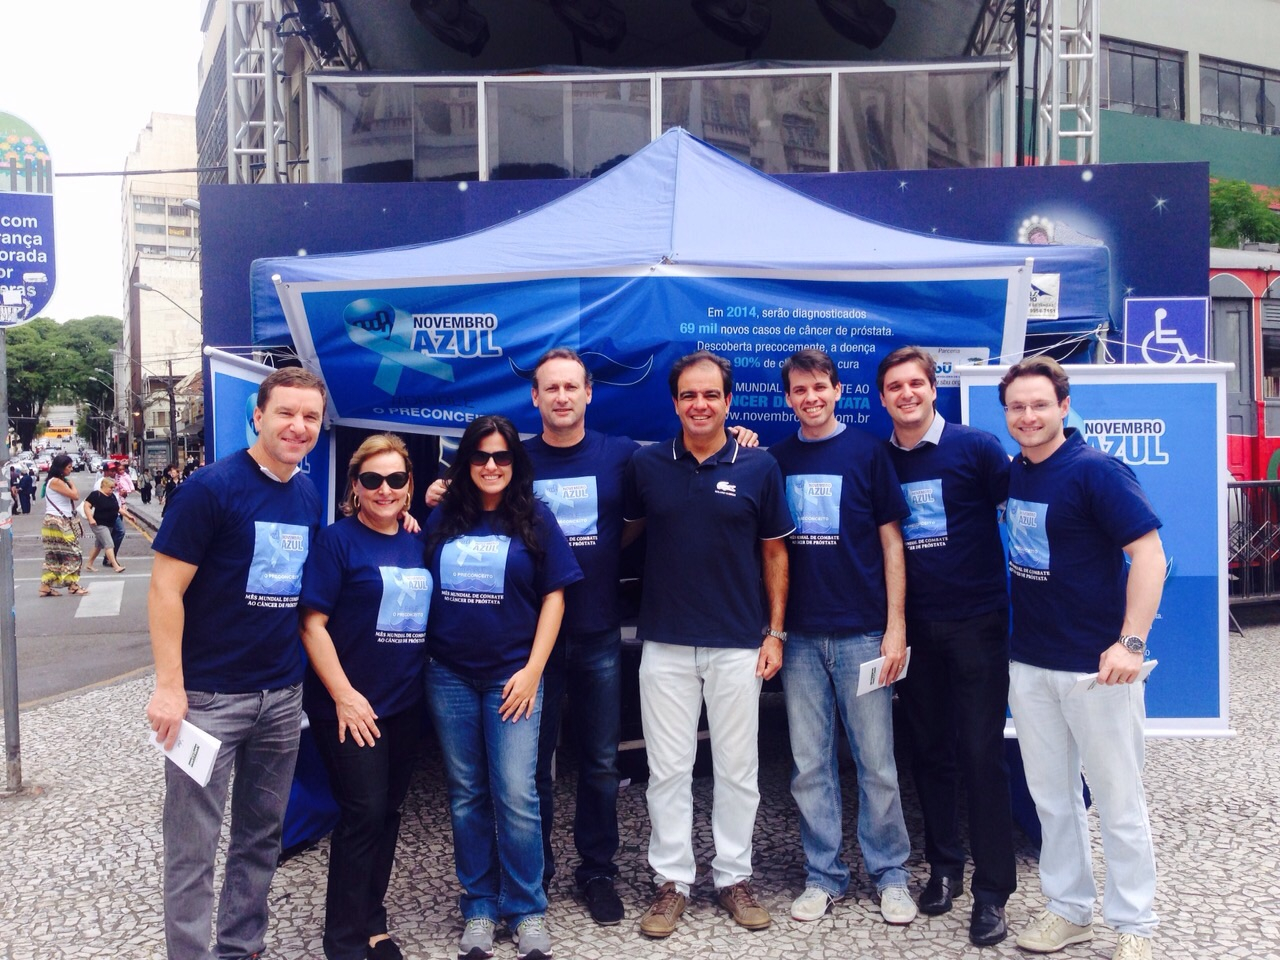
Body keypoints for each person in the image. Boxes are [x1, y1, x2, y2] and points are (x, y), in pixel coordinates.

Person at [145, 367, 327, 960]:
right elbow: (165, 589)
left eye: (310, 417)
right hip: (208, 702)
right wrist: (169, 687)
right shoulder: (210, 489)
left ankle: (241, 945)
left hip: (281, 698)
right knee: (192, 845)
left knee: (261, 835)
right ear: (258, 415)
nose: (298, 426)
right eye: (286, 412)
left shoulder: (306, 495)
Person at [998, 356, 1164, 960]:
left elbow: (1150, 555)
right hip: (1030, 662)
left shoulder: (1097, 470)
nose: (1028, 415)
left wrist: (1131, 642)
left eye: (1039, 404)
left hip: (1097, 670)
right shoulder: (1015, 472)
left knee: (1119, 800)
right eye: (1017, 406)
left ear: (1064, 407)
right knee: (1052, 799)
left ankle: (1135, 925)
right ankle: (1069, 910)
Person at [623, 351, 792, 938]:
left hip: (737, 642)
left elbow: (775, 552)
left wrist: (775, 632)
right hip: (665, 642)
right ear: (675, 403)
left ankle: (732, 877)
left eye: (711, 395)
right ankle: (672, 882)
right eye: (689, 395)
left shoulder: (759, 465)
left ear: (728, 400)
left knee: (738, 769)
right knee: (668, 771)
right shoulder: (646, 464)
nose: (700, 404)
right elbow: (620, 534)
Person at [422, 415, 582, 960]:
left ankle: (526, 908)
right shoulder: (443, 516)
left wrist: (534, 670)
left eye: (502, 456)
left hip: (513, 678)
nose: (491, 465)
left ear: (516, 462)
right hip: (449, 674)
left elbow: (556, 596)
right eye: (480, 456)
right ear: (465, 462)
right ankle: (480, 907)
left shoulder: (535, 516)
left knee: (516, 794)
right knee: (467, 795)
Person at [767, 349, 917, 927]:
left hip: (864, 634)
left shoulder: (869, 453)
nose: (811, 398)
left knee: (877, 762)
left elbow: (891, 543)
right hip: (801, 637)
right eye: (800, 390)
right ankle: (823, 875)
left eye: (819, 387)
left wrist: (895, 625)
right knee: (809, 765)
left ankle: (890, 874)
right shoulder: (776, 460)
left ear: (837, 390)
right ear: (788, 398)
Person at [877, 346, 1017, 946]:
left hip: (976, 624)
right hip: (914, 629)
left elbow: (1023, 508)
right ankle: (944, 868)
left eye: (916, 383)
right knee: (930, 751)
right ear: (883, 398)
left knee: (982, 754)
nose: (907, 394)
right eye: (895, 387)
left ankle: (992, 892)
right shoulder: (879, 459)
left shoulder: (976, 448)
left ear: (934, 389)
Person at [300, 433, 430, 960]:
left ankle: (373, 922)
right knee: (363, 812)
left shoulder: (419, 540)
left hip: (404, 702)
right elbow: (311, 624)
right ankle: (345, 941)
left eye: (395, 479)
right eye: (372, 479)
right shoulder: (338, 541)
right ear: (355, 485)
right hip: (349, 705)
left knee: (388, 811)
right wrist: (344, 696)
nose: (384, 489)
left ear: (409, 484)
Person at [39, 454, 89, 597]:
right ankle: (72, 585)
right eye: (69, 467)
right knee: (74, 553)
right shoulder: (56, 481)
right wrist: (71, 484)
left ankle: (45, 586)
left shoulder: (53, 481)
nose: (71, 469)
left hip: (52, 521)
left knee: (54, 556)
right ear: (61, 468)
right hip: (58, 521)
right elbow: (75, 495)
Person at [82, 475, 128, 573]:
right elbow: (86, 506)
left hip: (109, 524)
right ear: (104, 486)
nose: (112, 490)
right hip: (98, 523)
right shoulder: (96, 495)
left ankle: (89, 564)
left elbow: (118, 509)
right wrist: (90, 518)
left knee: (98, 545)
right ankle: (115, 566)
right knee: (109, 543)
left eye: (113, 488)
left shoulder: (112, 496)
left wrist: (129, 516)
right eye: (111, 487)